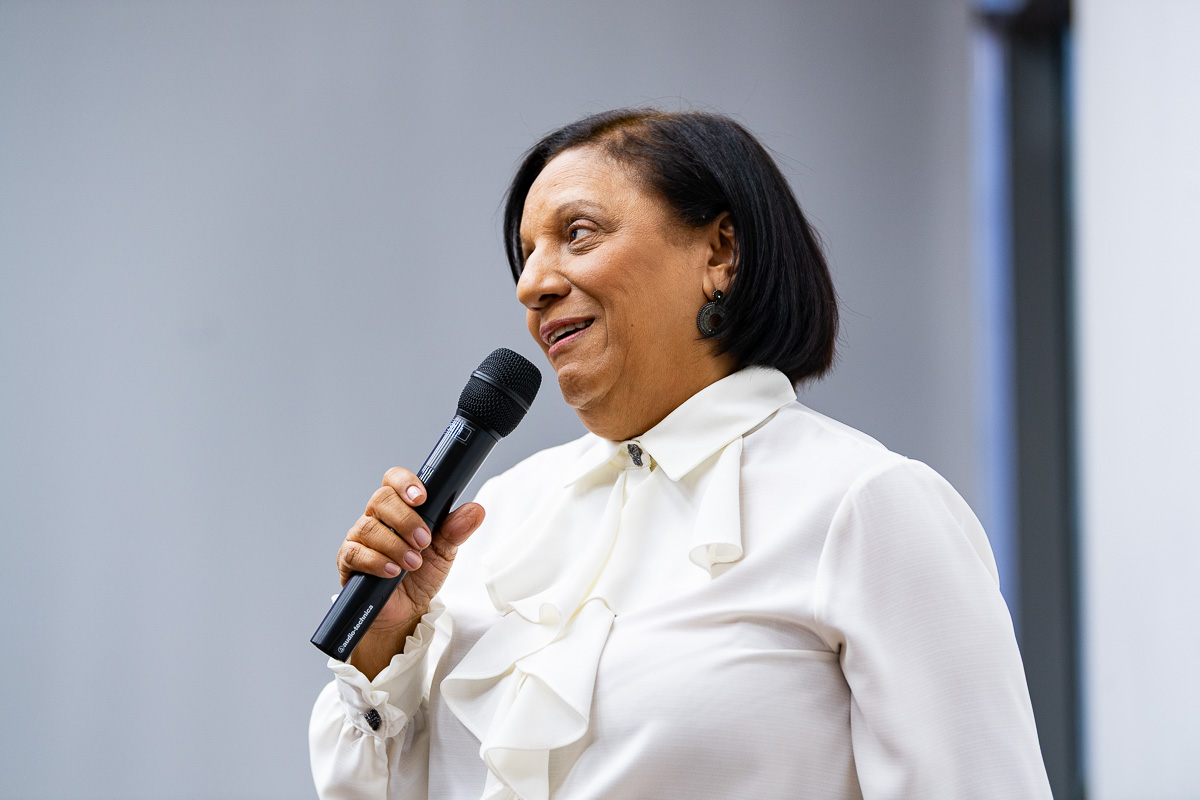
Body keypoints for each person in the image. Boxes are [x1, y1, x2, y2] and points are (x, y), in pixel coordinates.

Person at [309, 108, 1052, 799]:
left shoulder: (865, 506)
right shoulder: (497, 516)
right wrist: (385, 646)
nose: (532, 285)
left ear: (720, 251)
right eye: (527, 255)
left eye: (578, 233)